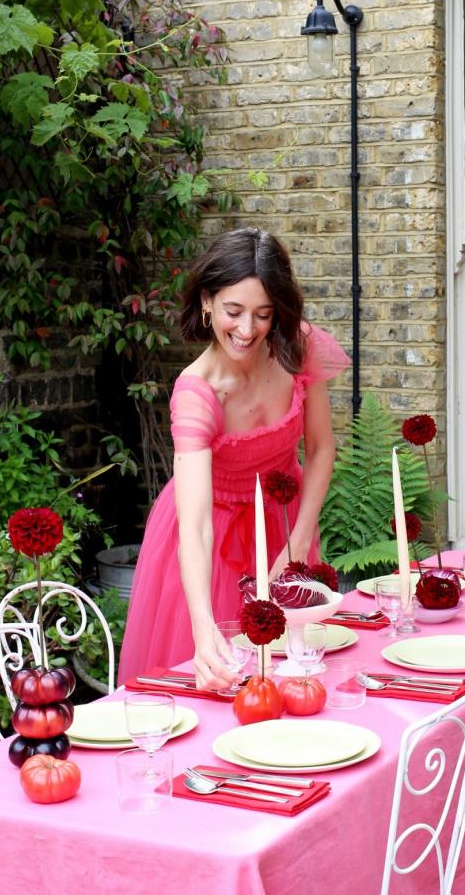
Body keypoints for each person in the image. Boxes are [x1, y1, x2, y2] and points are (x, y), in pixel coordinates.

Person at [117, 227, 349, 689]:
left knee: (294, 674)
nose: (247, 331)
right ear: (206, 301)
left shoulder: (297, 347)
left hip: (287, 524)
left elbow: (322, 447)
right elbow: (196, 525)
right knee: (223, 678)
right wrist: (202, 627)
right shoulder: (197, 394)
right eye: (233, 312)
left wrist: (299, 541)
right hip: (210, 543)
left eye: (263, 315)